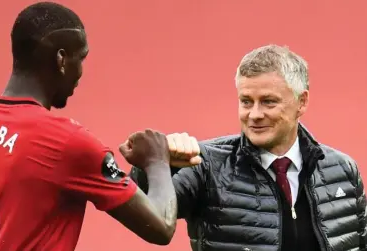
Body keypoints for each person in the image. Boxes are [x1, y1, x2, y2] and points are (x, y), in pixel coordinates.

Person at [0, 2, 200, 251]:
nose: (80, 72)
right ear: (61, 59)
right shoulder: (66, 141)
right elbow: (161, 226)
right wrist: (157, 161)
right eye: (81, 58)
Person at [131, 44, 367, 251]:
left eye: (268, 102)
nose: (254, 115)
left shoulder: (343, 170)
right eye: (246, 102)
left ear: (302, 101)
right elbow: (144, 214)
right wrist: (156, 164)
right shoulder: (203, 164)